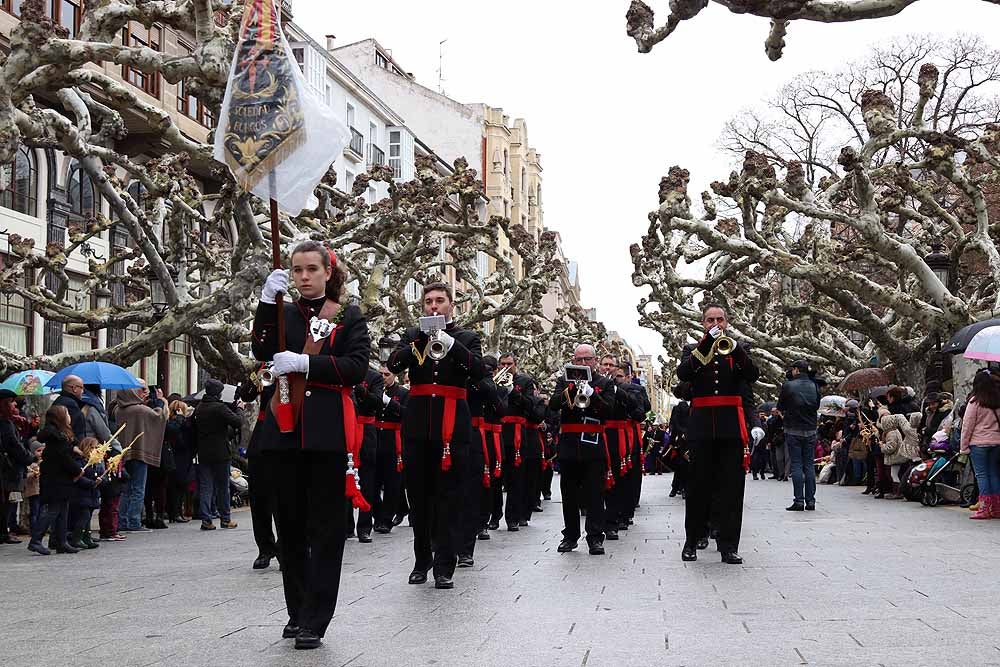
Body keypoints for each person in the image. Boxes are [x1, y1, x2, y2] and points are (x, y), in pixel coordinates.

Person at [252, 240, 370, 649]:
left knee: (325, 529)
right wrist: (267, 302)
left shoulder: (348, 316)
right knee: (289, 527)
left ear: (327, 272)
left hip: (325, 431)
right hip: (284, 428)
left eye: (311, 270)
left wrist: (306, 363)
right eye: (297, 270)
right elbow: (261, 349)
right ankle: (297, 609)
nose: (303, 277)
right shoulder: (283, 313)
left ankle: (316, 619)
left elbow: (356, 368)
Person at [388, 281, 484, 590]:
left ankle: (445, 565)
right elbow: (394, 363)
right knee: (418, 496)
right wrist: (421, 340)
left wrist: (449, 342)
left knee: (449, 496)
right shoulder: (413, 337)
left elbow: (478, 369)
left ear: (451, 305)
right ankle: (421, 560)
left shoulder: (467, 337)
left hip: (453, 425)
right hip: (417, 422)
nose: (433, 306)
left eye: (440, 301)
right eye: (428, 301)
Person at [677, 303, 759, 565]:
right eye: (710, 320)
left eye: (720, 319)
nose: (715, 324)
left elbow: (752, 376)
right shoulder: (693, 350)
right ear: (703, 323)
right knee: (698, 486)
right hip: (701, 426)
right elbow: (683, 374)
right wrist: (705, 346)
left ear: (727, 322)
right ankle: (692, 541)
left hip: (731, 427)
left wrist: (736, 349)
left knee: (731, 489)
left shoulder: (738, 349)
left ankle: (728, 545)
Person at [550, 343, 616, 555]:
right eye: (579, 360)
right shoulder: (563, 381)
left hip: (593, 444)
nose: (583, 363)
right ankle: (570, 536)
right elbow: (552, 405)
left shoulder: (603, 383)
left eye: (587, 359)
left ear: (595, 361)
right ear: (573, 360)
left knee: (595, 494)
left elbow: (609, 411)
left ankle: (595, 537)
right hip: (569, 444)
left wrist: (592, 395)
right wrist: (570, 390)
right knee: (568, 494)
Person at [461, 354, 506, 564]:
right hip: (456, 433)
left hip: (482, 438)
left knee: (480, 489)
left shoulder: (489, 385)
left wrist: (487, 381)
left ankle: (482, 524)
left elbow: (500, 409)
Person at [28, 406, 84, 556]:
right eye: (67, 413)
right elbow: (63, 457)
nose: (69, 416)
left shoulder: (59, 436)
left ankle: (61, 541)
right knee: (53, 509)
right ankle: (36, 540)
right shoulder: (57, 437)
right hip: (56, 478)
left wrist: (74, 451)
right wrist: (78, 470)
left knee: (63, 509)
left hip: (59, 477)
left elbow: (66, 452)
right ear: (60, 417)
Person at [113, 381, 168, 533]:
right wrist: (160, 401)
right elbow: (158, 416)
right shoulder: (140, 410)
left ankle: (122, 520)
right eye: (141, 389)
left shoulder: (118, 409)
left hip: (123, 453)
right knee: (138, 488)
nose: (144, 392)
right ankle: (134, 521)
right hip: (139, 452)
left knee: (125, 489)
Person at [192, 379, 243, 531]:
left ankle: (206, 520)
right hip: (221, 452)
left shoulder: (199, 408)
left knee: (206, 486)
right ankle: (225, 519)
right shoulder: (219, 407)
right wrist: (239, 408)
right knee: (223, 487)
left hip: (204, 452)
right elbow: (237, 422)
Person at [498, 353, 537, 531]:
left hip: (517, 435)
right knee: (495, 479)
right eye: (502, 364)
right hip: (498, 432)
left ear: (516, 364)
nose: (505, 367)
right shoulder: (494, 380)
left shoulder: (525, 381)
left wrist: (512, 390)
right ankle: (493, 515)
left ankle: (513, 517)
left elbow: (529, 404)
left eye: (509, 364)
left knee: (516, 478)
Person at [777, 360, 822, 511]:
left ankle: (798, 501)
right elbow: (816, 405)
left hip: (793, 428)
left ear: (796, 370)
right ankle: (811, 501)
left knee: (796, 465)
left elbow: (780, 406)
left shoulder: (788, 385)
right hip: (810, 429)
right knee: (809, 465)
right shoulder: (814, 385)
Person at [351, 367, 385, 543]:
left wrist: (363, 393)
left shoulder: (374, 377)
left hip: (366, 430)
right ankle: (346, 525)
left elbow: (377, 403)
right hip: (347, 426)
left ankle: (364, 527)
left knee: (367, 480)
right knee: (344, 475)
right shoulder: (345, 369)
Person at [961, 371, 1000, 519]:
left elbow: (967, 426)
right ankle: (996, 508)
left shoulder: (975, 402)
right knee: (994, 474)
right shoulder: (997, 401)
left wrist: (963, 446)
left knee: (982, 475)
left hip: (979, 444)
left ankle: (984, 508)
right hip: (996, 443)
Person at [373, 365, 408, 534]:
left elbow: (407, 414)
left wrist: (390, 402)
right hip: (375, 438)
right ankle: (379, 515)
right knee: (372, 483)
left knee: (392, 483)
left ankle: (386, 519)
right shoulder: (374, 389)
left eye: (386, 374)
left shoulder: (402, 393)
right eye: (380, 374)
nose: (383, 377)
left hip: (393, 441)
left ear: (394, 376)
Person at [0, 389, 33, 544]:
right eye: (12, 402)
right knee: (5, 501)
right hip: (7, 468)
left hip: (9, 467)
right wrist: (30, 458)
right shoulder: (5, 423)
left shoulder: (11, 421)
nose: (15, 405)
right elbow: (14, 445)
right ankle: (3, 532)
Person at [68, 437, 102, 550]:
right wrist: (92, 483)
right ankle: (76, 538)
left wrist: (100, 480)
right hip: (81, 494)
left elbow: (100, 474)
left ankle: (87, 537)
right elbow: (79, 478)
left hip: (91, 494)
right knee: (84, 516)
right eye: (92, 447)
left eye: (96, 448)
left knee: (88, 517)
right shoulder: (80, 461)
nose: (95, 450)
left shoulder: (96, 462)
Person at [164, 400, 193, 524]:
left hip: (177, 456)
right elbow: (181, 440)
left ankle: (175, 512)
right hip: (179, 457)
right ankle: (175, 512)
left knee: (176, 486)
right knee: (178, 486)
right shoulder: (176, 424)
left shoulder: (174, 423)